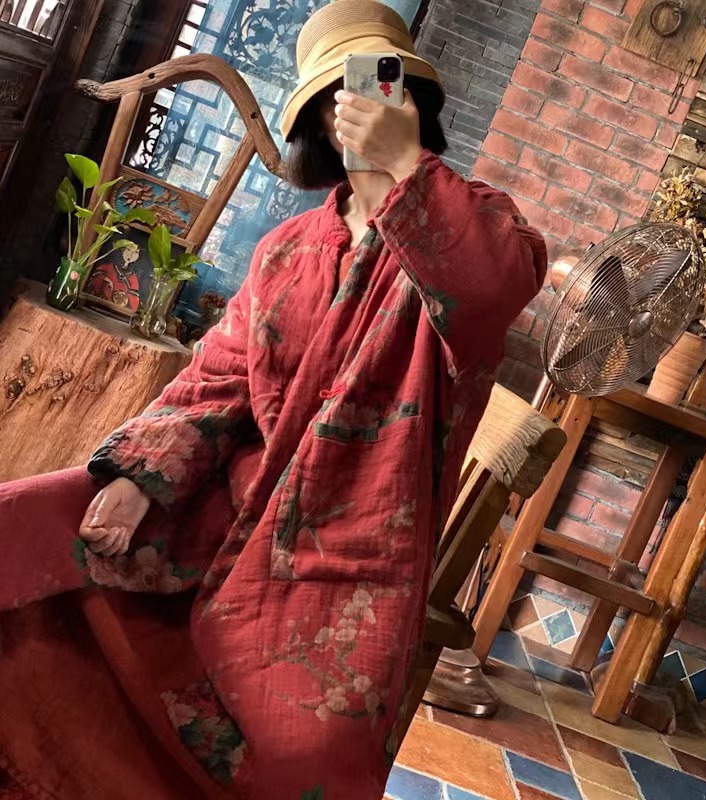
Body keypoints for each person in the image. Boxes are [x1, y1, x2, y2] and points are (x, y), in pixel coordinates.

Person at [0, 2, 547, 798]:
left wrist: (406, 166)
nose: (360, 106)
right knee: (22, 533)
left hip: (353, 554)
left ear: (414, 102)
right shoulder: (287, 250)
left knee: (303, 752)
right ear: (316, 120)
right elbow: (219, 376)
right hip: (224, 502)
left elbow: (489, 289)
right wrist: (139, 476)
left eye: (384, 84)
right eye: (338, 94)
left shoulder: (483, 225)